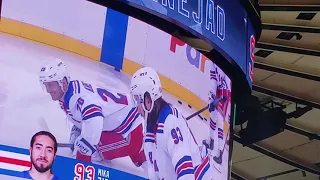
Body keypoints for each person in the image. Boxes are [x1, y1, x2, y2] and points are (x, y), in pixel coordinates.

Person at [38, 58, 147, 170]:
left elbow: (95, 118)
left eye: (51, 85)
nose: (48, 90)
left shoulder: (76, 98)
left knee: (90, 152)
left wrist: (84, 150)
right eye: (46, 85)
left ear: (63, 83)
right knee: (145, 162)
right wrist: (77, 134)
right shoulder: (69, 92)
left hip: (128, 134)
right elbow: (82, 118)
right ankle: (144, 159)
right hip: (129, 126)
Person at [130, 67, 213, 180]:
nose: (137, 107)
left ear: (148, 99)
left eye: (137, 99)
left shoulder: (170, 121)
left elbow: (186, 172)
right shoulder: (150, 126)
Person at [203, 63, 231, 171]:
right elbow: (213, 81)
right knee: (213, 114)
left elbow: (228, 80)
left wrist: (223, 96)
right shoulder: (213, 64)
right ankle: (211, 142)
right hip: (218, 89)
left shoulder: (226, 64)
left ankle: (219, 152)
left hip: (226, 91)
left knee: (220, 119)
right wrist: (212, 99)